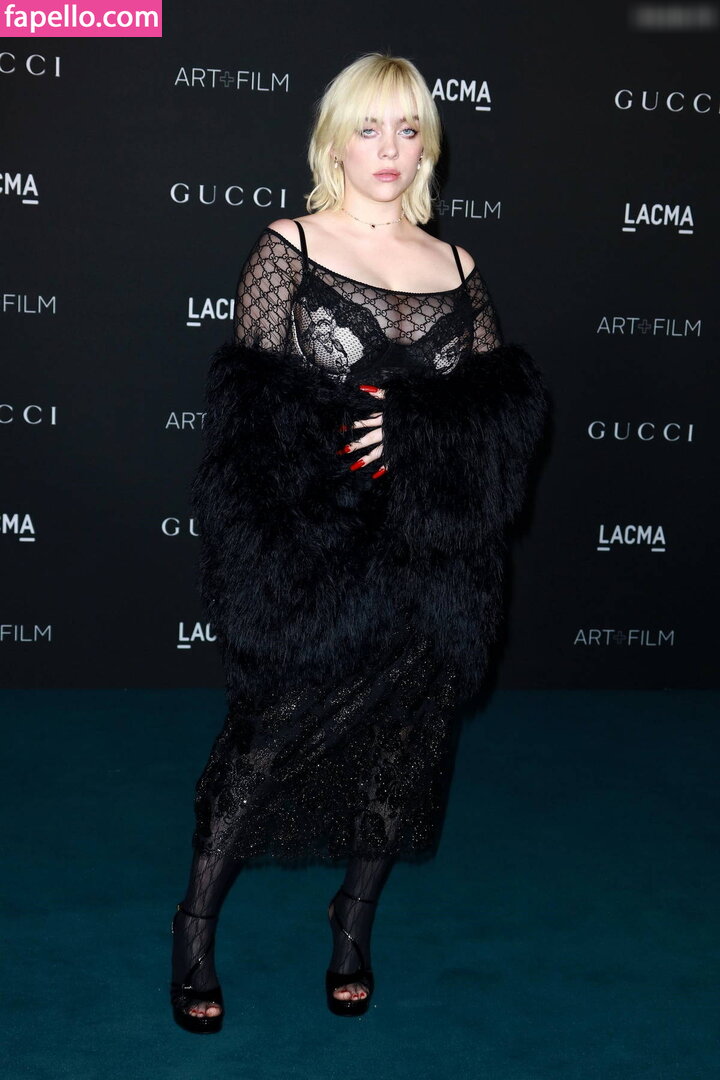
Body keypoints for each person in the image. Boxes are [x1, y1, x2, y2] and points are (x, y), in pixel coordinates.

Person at [171, 51, 549, 1032]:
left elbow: (504, 425)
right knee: (262, 746)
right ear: (335, 140)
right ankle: (195, 924)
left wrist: (419, 434)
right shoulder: (288, 247)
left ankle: (353, 921)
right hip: (318, 557)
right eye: (370, 127)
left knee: (404, 751)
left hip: (434, 563)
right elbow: (250, 429)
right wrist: (289, 546)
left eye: (409, 128)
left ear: (428, 146)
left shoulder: (457, 267)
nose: (389, 148)